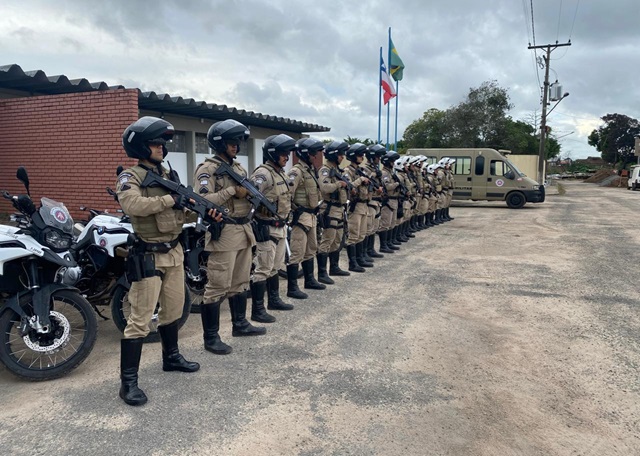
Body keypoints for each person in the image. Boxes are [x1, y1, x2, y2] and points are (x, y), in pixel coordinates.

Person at [116, 116, 202, 406]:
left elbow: (182, 213)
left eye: (163, 143)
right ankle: (128, 384)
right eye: (155, 143)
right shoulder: (132, 177)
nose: (161, 147)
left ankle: (172, 358)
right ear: (141, 146)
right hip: (148, 255)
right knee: (140, 320)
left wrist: (198, 212)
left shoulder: (169, 175)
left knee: (174, 310)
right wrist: (170, 200)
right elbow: (132, 205)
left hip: (174, 252)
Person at [194, 119, 266, 357]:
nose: (236, 146)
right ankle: (211, 337)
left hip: (244, 231)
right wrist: (232, 191)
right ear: (219, 143)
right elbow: (202, 201)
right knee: (217, 285)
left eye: (238, 142)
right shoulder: (207, 169)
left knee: (240, 281)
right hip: (224, 232)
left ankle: (240, 324)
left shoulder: (240, 169)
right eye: (231, 142)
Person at [249, 134, 295, 317]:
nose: (287, 157)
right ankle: (257, 310)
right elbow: (250, 198)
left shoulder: (280, 173)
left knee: (275, 266)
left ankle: (274, 300)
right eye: (284, 153)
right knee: (262, 269)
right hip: (266, 228)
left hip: (281, 227)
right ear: (273, 153)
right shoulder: (263, 174)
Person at [286, 138, 327, 299]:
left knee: (311, 248)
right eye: (313, 153)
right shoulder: (296, 172)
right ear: (305, 153)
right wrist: (293, 212)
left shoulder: (310, 170)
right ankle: (292, 287)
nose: (315, 156)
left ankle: (309, 280)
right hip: (300, 216)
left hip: (311, 215)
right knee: (297, 251)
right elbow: (287, 195)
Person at [316, 140, 351, 283]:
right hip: (329, 209)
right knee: (327, 240)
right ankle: (322, 273)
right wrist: (338, 184)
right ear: (333, 155)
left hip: (339, 208)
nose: (342, 157)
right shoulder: (325, 170)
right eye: (340, 154)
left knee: (337, 239)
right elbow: (324, 188)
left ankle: (334, 267)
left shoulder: (337, 170)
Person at [342, 143, 372, 272]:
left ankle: (360, 258)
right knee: (353, 235)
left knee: (362, 234)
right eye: (360, 155)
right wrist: (360, 180)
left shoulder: (361, 170)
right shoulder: (347, 171)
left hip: (364, 204)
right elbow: (348, 186)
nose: (362, 157)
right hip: (355, 205)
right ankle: (352, 263)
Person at [362, 144, 386, 259]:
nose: (379, 159)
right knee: (368, 227)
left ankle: (371, 249)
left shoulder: (375, 169)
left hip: (377, 201)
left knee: (374, 227)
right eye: (378, 157)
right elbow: (366, 180)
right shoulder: (366, 169)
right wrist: (374, 174)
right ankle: (365, 252)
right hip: (370, 201)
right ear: (372, 157)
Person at [378, 151, 401, 253]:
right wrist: (397, 184)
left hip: (394, 200)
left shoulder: (391, 173)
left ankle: (389, 242)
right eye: (392, 161)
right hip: (388, 200)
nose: (393, 163)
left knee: (392, 223)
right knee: (385, 223)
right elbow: (387, 187)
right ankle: (383, 245)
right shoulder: (384, 173)